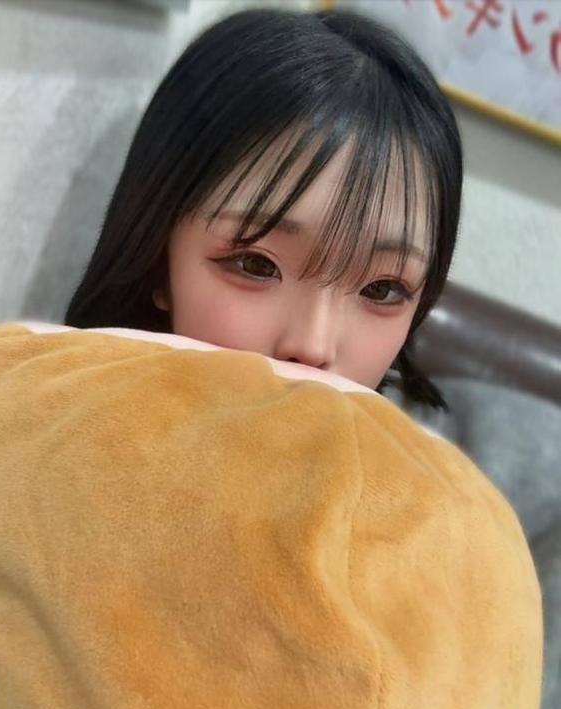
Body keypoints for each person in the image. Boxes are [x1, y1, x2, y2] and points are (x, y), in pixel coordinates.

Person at [64, 6, 462, 409]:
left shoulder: (408, 448)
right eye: (256, 264)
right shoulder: (55, 418)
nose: (313, 347)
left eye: (382, 289)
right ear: (157, 260)